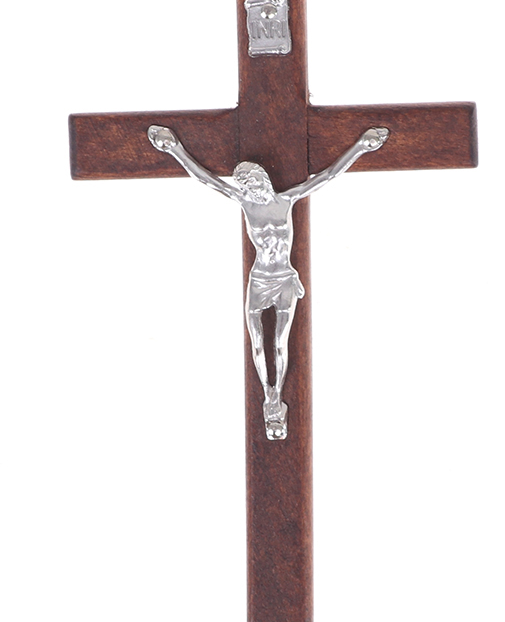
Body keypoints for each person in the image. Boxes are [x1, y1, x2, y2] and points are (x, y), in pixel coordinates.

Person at [148, 124, 389, 439]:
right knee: (258, 343)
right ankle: (268, 395)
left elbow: (328, 175)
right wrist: (175, 149)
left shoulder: (286, 199)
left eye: (252, 182)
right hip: (260, 279)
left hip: (284, 278)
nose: (250, 187)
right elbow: (206, 179)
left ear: (262, 179)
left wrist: (361, 146)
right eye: (245, 184)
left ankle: (276, 397)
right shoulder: (246, 203)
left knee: (279, 342)